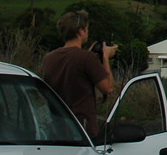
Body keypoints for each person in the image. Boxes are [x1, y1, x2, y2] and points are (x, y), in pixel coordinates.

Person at [42, 10, 117, 138]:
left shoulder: (49, 58)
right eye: (86, 29)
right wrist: (105, 57)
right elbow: (108, 88)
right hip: (82, 129)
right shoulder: (86, 58)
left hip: (56, 128)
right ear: (80, 31)